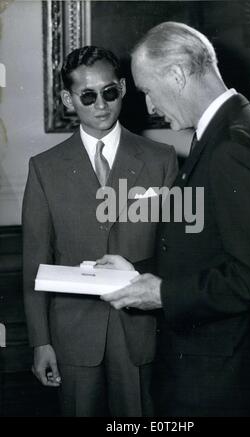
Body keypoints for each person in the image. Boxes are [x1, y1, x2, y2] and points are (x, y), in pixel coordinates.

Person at [97, 22, 250, 416]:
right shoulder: (231, 128)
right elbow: (209, 248)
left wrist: (161, 294)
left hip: (221, 380)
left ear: (177, 75)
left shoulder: (232, 145)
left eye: (148, 91)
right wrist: (139, 275)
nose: (149, 107)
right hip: (218, 367)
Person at [22, 45, 178, 417]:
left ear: (123, 88)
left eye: (109, 92)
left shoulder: (161, 160)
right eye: (87, 96)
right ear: (68, 99)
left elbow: (175, 250)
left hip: (141, 329)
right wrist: (40, 342)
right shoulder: (45, 168)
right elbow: (35, 263)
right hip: (72, 334)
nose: (101, 105)